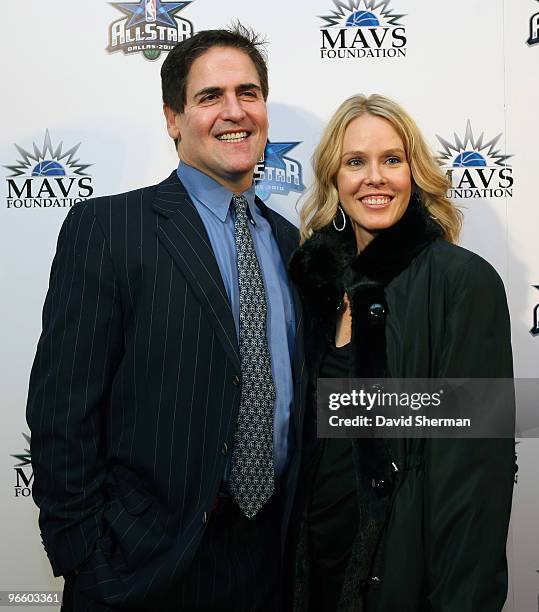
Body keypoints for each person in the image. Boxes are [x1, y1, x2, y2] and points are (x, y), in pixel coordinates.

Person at [26, 25, 307, 611]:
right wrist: (87, 558)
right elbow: (62, 412)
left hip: (269, 563)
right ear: (173, 118)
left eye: (248, 93)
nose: (235, 111)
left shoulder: (289, 242)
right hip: (142, 567)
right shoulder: (109, 229)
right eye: (210, 97)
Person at [289, 94, 515, 611]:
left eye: (392, 160)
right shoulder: (315, 288)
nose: (375, 178)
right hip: (314, 574)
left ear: (415, 173)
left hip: (400, 579)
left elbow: (475, 480)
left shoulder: (462, 283)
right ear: (334, 179)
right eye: (355, 162)